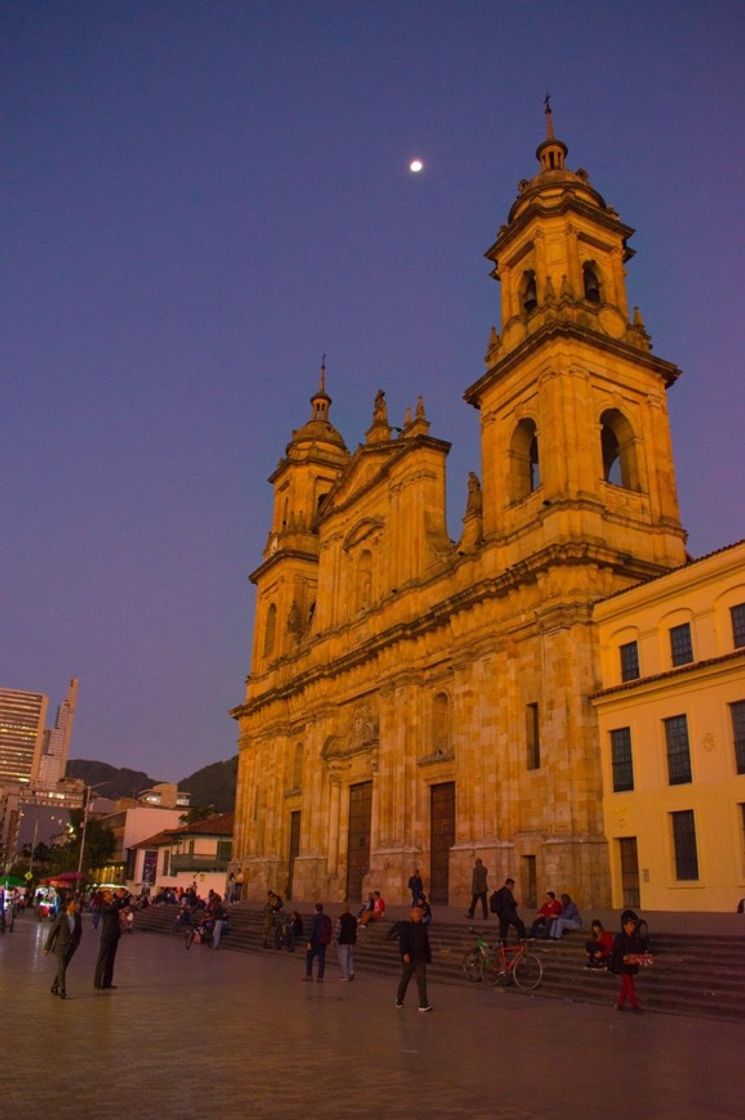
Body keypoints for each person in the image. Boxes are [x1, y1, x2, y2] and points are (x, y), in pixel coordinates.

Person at [611, 909, 651, 1013]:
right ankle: (635, 1006)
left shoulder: (634, 938)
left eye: (633, 924)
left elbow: (638, 950)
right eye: (631, 924)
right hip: (623, 965)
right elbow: (617, 951)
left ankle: (620, 1004)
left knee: (626, 985)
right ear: (625, 926)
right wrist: (624, 957)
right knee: (630, 985)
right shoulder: (620, 938)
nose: (633, 926)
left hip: (630, 964)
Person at [395, 904, 433, 1012]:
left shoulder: (423, 927)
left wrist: (428, 957)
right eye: (416, 912)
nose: (418, 914)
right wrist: (404, 953)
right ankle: (399, 999)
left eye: (420, 912)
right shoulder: (406, 926)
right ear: (411, 914)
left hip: (420, 958)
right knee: (405, 980)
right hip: (410, 958)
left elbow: (426, 943)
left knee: (422, 981)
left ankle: (423, 1004)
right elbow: (402, 942)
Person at [44, 897, 82, 999]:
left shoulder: (77, 916)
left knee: (63, 968)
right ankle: (63, 989)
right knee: (61, 967)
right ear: (68, 905)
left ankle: (54, 986)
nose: (77, 906)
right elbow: (53, 931)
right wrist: (47, 947)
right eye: (75, 903)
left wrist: (76, 943)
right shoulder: (61, 916)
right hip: (60, 946)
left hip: (71, 946)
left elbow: (79, 931)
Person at [94, 888, 128, 990]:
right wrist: (118, 897)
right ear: (104, 896)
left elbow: (123, 904)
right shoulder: (104, 905)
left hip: (114, 935)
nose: (111, 894)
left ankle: (107, 982)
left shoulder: (113, 904)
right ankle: (97, 982)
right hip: (107, 935)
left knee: (111, 959)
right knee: (102, 959)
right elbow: (113, 908)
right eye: (108, 893)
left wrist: (124, 896)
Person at [490, 877, 526, 942]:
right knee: (520, 924)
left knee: (503, 930)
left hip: (502, 914)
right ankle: (523, 940)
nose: (513, 887)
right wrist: (516, 903)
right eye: (512, 886)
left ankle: (503, 946)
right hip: (509, 914)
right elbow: (511, 902)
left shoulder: (501, 891)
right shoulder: (507, 892)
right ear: (509, 884)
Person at [304, 902, 332, 982]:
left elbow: (312, 931)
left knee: (309, 957)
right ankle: (320, 977)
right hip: (323, 941)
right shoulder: (327, 917)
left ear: (316, 909)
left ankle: (309, 975)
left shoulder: (315, 918)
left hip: (315, 941)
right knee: (321, 959)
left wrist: (309, 942)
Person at [335, 902, 358, 980]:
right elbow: (356, 930)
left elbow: (338, 931)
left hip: (343, 940)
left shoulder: (340, 918)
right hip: (352, 940)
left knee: (344, 957)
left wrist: (335, 939)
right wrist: (356, 938)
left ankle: (345, 975)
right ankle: (351, 972)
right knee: (350, 956)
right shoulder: (354, 918)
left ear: (342, 909)